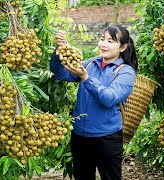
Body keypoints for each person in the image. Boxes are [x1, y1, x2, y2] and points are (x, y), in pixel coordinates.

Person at [49, 25, 138, 180]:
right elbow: (60, 73)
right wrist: (59, 50)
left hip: (107, 138)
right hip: (80, 136)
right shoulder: (90, 64)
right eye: (102, 39)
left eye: (110, 41)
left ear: (123, 47)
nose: (103, 44)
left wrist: (86, 78)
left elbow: (109, 98)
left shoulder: (125, 72)